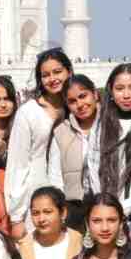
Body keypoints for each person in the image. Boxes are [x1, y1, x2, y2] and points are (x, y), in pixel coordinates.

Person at [86, 63, 131, 234]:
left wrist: (127, 207)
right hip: (106, 215)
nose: (126, 95)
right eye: (119, 88)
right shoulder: (100, 127)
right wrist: (106, 206)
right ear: (110, 92)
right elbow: (94, 169)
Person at [6, 49, 72, 234]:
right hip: (36, 196)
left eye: (57, 72)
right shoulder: (28, 112)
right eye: (45, 75)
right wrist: (16, 216)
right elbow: (18, 164)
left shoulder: (76, 107)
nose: (52, 79)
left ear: (69, 72)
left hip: (72, 197)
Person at [47, 74, 99, 229]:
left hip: (108, 206)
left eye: (83, 96)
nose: (80, 104)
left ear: (95, 94)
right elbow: (55, 176)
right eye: (72, 101)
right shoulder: (61, 131)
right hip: (74, 209)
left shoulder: (113, 125)